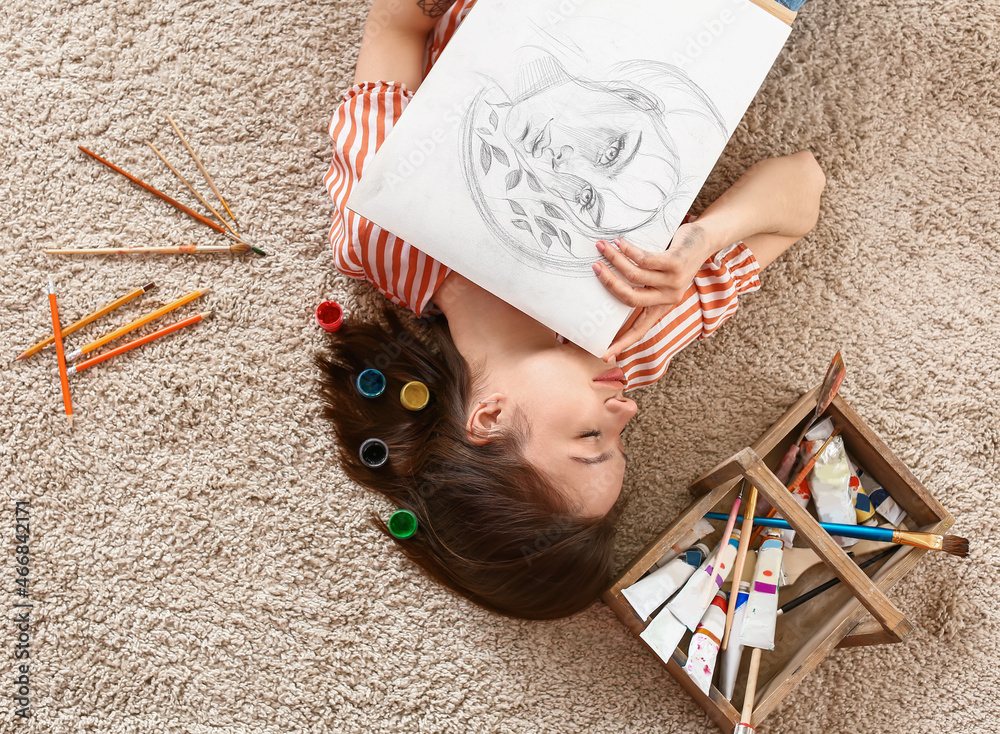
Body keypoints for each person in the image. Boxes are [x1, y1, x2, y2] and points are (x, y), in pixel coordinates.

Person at [318, 0, 825, 619]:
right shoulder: (631, 344)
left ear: (490, 417)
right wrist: (707, 240)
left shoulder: (382, 238)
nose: (627, 410)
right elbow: (803, 186)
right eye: (622, 439)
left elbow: (399, 23)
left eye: (592, 436)